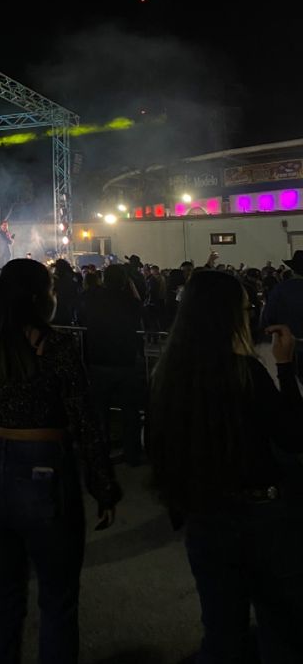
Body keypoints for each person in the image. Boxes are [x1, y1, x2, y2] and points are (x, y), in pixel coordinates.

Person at [0, 259, 120, 662]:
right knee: (57, 601)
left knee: (4, 600)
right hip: (41, 470)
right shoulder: (58, 346)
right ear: (38, 299)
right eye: (50, 290)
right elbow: (84, 417)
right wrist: (102, 485)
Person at [148, 270, 303, 662]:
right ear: (227, 315)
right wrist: (285, 368)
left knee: (221, 630)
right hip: (259, 514)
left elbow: (160, 448)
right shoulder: (244, 372)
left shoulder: (168, 375)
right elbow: (292, 435)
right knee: (281, 623)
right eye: (246, 310)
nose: (250, 317)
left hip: (203, 513)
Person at [81, 263, 144, 466]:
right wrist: (131, 286)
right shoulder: (129, 301)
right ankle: (131, 452)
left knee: (100, 411)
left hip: (98, 360)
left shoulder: (93, 298)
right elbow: (139, 310)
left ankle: (100, 451)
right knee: (130, 411)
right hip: (125, 361)